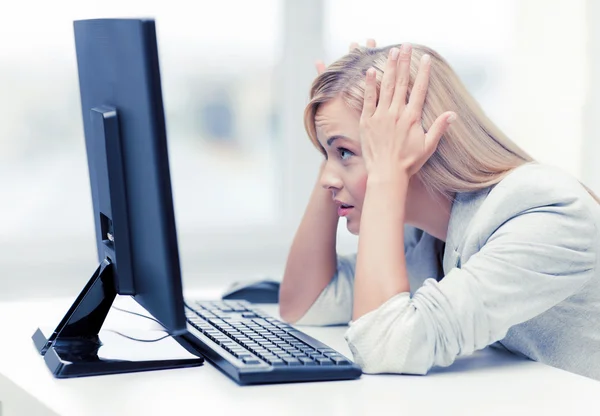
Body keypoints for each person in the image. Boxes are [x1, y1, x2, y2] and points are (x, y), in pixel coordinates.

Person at [278, 39, 600, 381]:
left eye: (345, 153)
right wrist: (331, 137)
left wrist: (386, 172)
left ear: (413, 142)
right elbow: (305, 303)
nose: (327, 178)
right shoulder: (423, 232)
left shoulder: (544, 212)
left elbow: (384, 345)